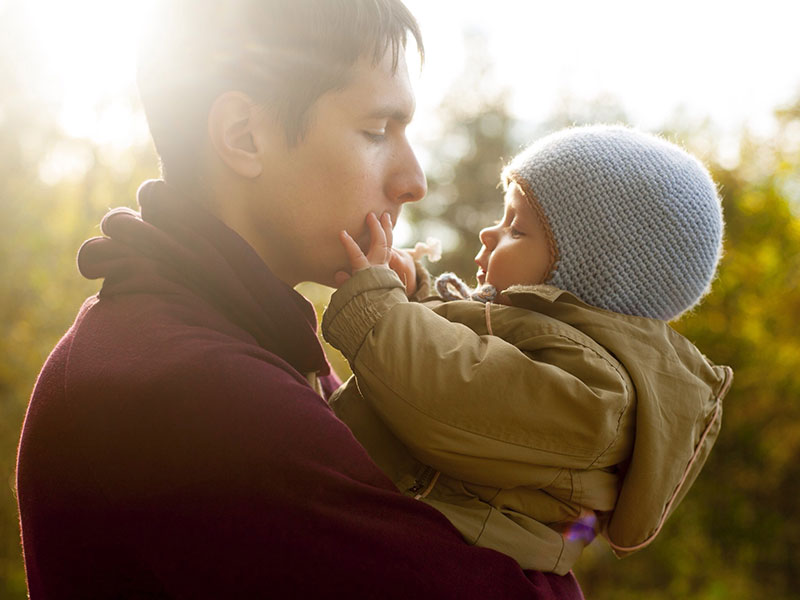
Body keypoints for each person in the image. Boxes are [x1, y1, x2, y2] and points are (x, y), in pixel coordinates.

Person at [15, 1, 586, 598]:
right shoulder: (190, 389)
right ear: (243, 136)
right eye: (376, 130)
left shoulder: (231, 338)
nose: (414, 180)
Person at [322, 125, 734, 575]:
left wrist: (377, 309)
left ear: (588, 277)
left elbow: (451, 398)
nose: (488, 233)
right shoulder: (542, 344)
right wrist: (416, 295)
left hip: (449, 568)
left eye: (516, 227)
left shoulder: (597, 393)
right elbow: (475, 362)